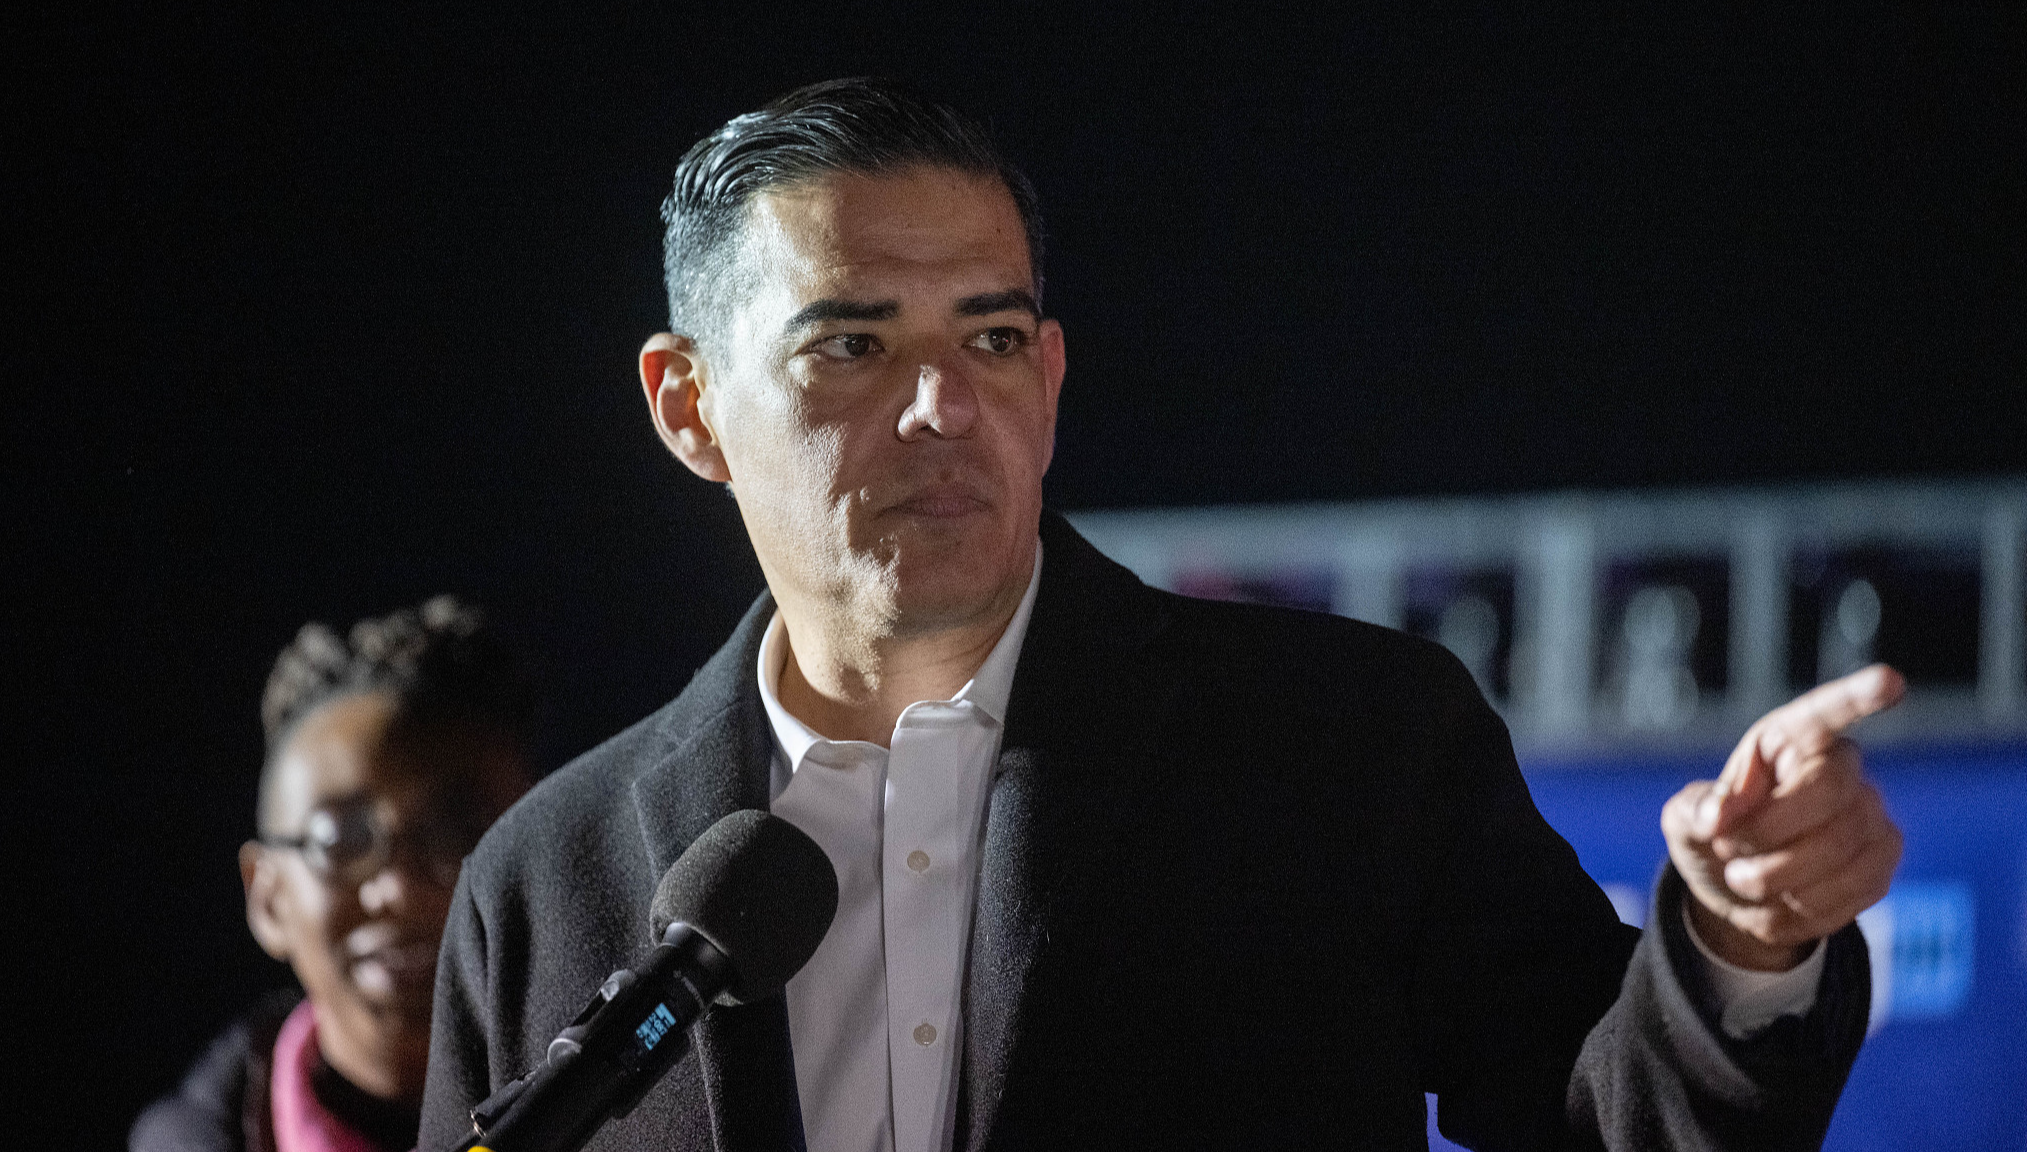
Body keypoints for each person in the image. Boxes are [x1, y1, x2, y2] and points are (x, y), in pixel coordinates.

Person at [420, 80, 1904, 1151]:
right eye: (854, 345)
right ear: (689, 407)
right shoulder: (548, 879)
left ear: (1052, 380)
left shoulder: (1349, 744)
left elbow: (1599, 1121)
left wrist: (1736, 947)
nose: (945, 407)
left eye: (991, 337)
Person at [135, 597, 535, 1152]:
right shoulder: (194, 1139)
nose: (399, 889)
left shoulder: (659, 1084)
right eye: (341, 840)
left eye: (456, 834)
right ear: (268, 898)